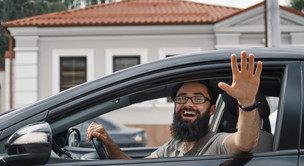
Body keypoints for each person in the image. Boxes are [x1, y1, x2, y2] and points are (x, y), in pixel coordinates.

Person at [87, 51, 262, 159]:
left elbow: (244, 143)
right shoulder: (174, 146)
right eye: (182, 98)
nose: (188, 104)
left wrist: (246, 102)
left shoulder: (217, 143)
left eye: (198, 99)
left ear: (212, 110)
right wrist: (109, 143)